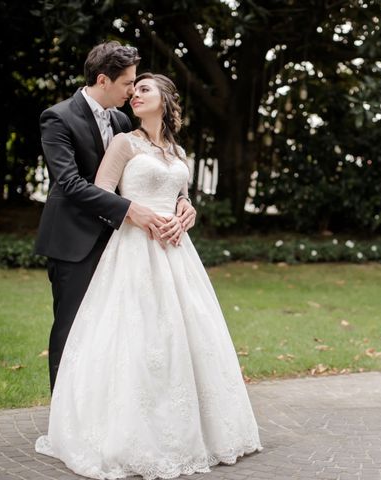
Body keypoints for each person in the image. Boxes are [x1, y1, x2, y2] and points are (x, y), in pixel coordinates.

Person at [35, 72, 262, 479]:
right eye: (132, 88)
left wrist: (186, 210)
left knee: (181, 336)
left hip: (176, 253)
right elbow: (102, 190)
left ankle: (193, 429)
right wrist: (136, 214)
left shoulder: (176, 151)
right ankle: (123, 430)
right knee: (135, 338)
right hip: (134, 248)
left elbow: (179, 194)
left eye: (144, 89)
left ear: (165, 99)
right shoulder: (123, 142)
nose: (134, 95)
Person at [34, 41, 196, 393]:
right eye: (128, 83)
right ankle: (63, 413)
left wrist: (183, 200)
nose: (132, 91)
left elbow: (154, 167)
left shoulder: (124, 120)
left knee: (114, 330)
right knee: (72, 325)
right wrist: (129, 210)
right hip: (74, 240)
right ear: (104, 80)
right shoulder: (58, 117)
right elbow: (72, 184)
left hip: (122, 243)